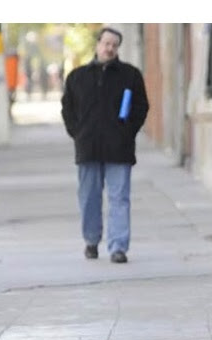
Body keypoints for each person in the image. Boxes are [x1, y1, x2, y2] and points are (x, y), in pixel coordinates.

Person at [61, 27, 149, 263]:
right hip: (88, 148)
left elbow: (141, 107)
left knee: (119, 197)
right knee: (89, 197)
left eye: (114, 45)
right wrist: (78, 133)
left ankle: (118, 246)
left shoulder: (130, 75)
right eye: (106, 43)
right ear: (98, 45)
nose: (110, 48)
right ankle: (91, 240)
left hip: (119, 148)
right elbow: (67, 109)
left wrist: (127, 132)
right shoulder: (77, 77)